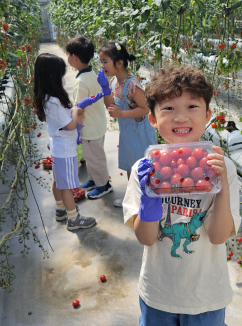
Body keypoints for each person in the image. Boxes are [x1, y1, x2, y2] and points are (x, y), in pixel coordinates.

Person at [122, 66, 241, 326]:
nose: (181, 116)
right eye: (169, 108)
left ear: (208, 115)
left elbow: (217, 236)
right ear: (152, 118)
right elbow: (147, 238)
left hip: (206, 297)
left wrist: (222, 185)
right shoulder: (144, 169)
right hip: (158, 294)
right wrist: (149, 198)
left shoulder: (222, 169)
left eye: (192, 106)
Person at [33, 53, 96, 231]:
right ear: (52, 77)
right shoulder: (53, 101)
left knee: (58, 181)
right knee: (67, 186)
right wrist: (76, 110)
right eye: (60, 75)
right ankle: (73, 219)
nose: (62, 79)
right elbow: (70, 125)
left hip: (57, 146)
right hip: (65, 149)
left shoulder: (46, 97)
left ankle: (61, 209)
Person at [100, 41, 157, 207]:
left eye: (105, 61)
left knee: (142, 169)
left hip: (139, 134)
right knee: (130, 167)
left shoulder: (132, 84)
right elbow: (110, 106)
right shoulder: (114, 83)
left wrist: (121, 114)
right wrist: (105, 90)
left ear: (119, 63)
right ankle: (134, 198)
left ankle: (145, 202)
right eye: (101, 62)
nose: (102, 65)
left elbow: (146, 109)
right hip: (127, 133)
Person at [66, 36, 113, 200]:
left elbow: (80, 109)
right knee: (93, 157)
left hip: (89, 128)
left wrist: (77, 129)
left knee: (96, 158)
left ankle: (103, 186)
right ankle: (94, 180)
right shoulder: (93, 74)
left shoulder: (80, 81)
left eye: (68, 55)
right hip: (97, 123)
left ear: (75, 58)